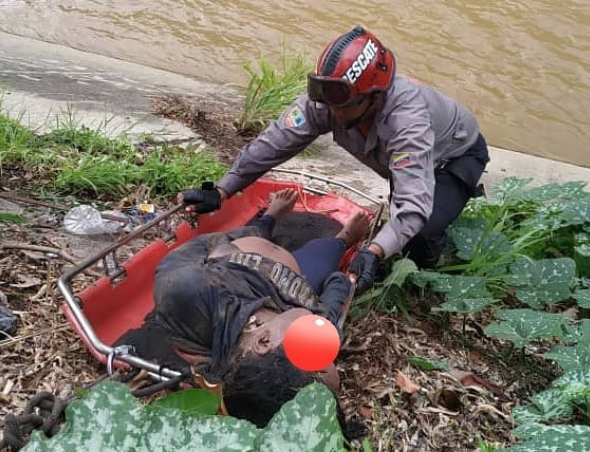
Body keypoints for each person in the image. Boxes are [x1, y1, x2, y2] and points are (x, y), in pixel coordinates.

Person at [180, 25, 490, 295]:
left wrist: (374, 252)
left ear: (375, 96)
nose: (333, 115)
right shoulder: (330, 101)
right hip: (403, 158)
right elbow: (274, 142)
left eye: (343, 107)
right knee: (400, 215)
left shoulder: (408, 124)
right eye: (326, 103)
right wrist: (222, 190)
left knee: (421, 231)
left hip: (453, 157)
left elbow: (412, 205)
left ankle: (426, 266)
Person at [150, 189, 370, 426]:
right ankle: (343, 238)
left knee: (252, 237)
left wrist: (231, 244)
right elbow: (333, 298)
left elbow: (180, 259)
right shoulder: (310, 328)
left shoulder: (189, 294)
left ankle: (270, 216)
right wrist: (346, 280)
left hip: (241, 252)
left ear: (264, 341)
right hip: (295, 277)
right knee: (327, 253)